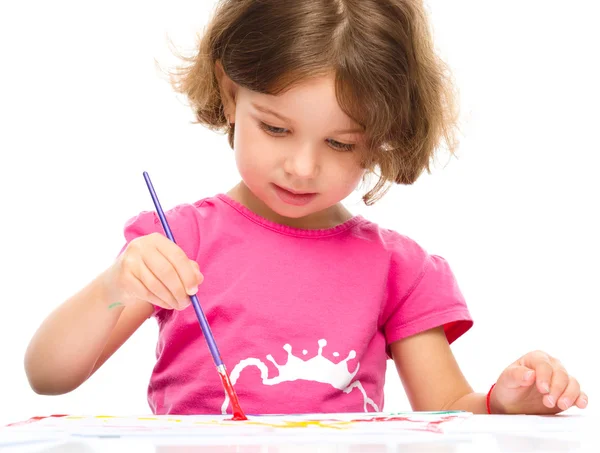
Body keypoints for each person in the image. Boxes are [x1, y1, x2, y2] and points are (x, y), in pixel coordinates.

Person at [25, 0, 587, 416]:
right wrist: (115, 287)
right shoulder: (179, 241)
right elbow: (47, 376)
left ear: (384, 135)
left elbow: (445, 410)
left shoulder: (399, 269)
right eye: (275, 128)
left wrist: (506, 403)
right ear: (229, 94)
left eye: (341, 144)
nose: (302, 167)